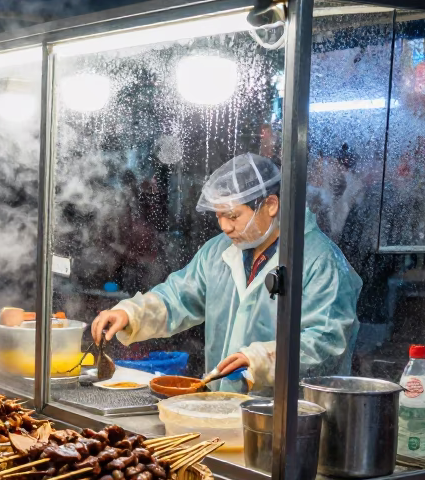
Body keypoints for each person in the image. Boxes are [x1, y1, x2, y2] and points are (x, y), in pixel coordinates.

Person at [91, 154, 362, 393]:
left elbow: (327, 341)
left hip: (290, 420)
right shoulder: (218, 251)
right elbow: (179, 296)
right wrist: (131, 314)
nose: (225, 227)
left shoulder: (320, 260)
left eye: (233, 216)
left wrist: (262, 359)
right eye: (219, 216)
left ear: (270, 205)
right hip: (223, 408)